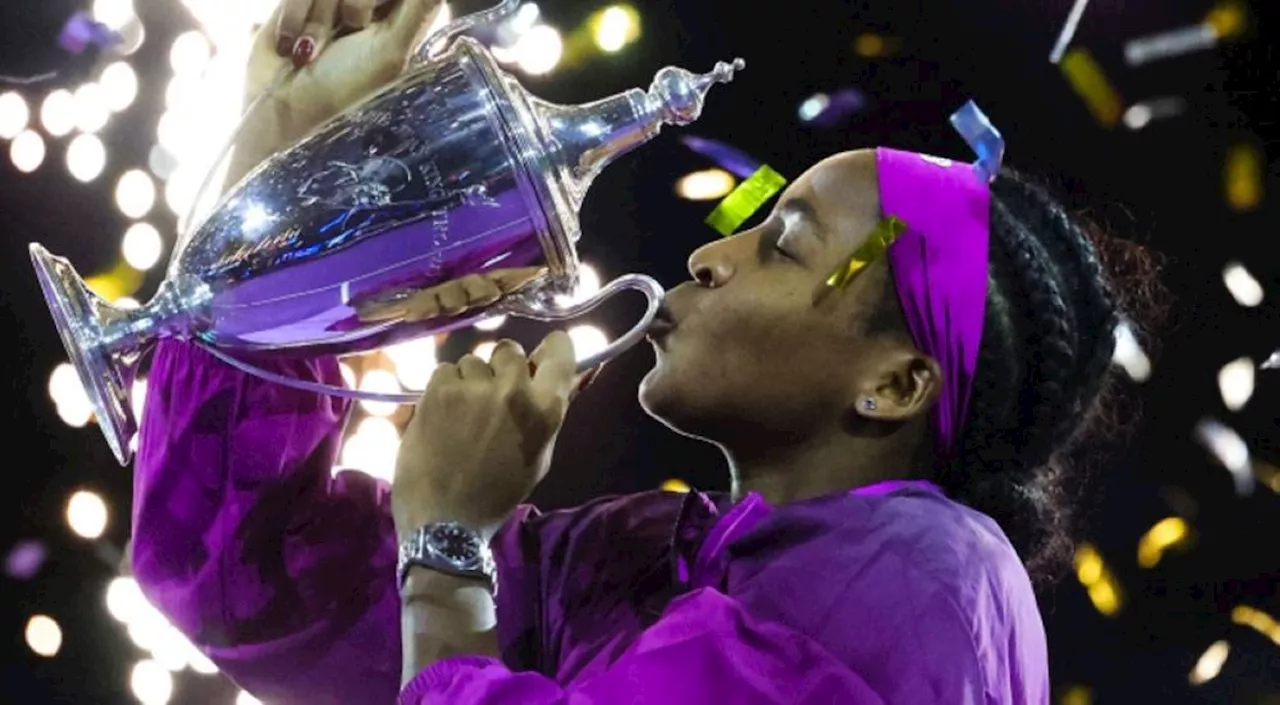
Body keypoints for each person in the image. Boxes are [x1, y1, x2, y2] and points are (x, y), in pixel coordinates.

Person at [129, 1, 1158, 703]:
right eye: (750, 220)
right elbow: (242, 576)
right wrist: (292, 154)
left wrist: (445, 553)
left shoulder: (925, 583)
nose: (709, 256)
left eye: (784, 245)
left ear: (894, 381)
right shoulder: (660, 554)